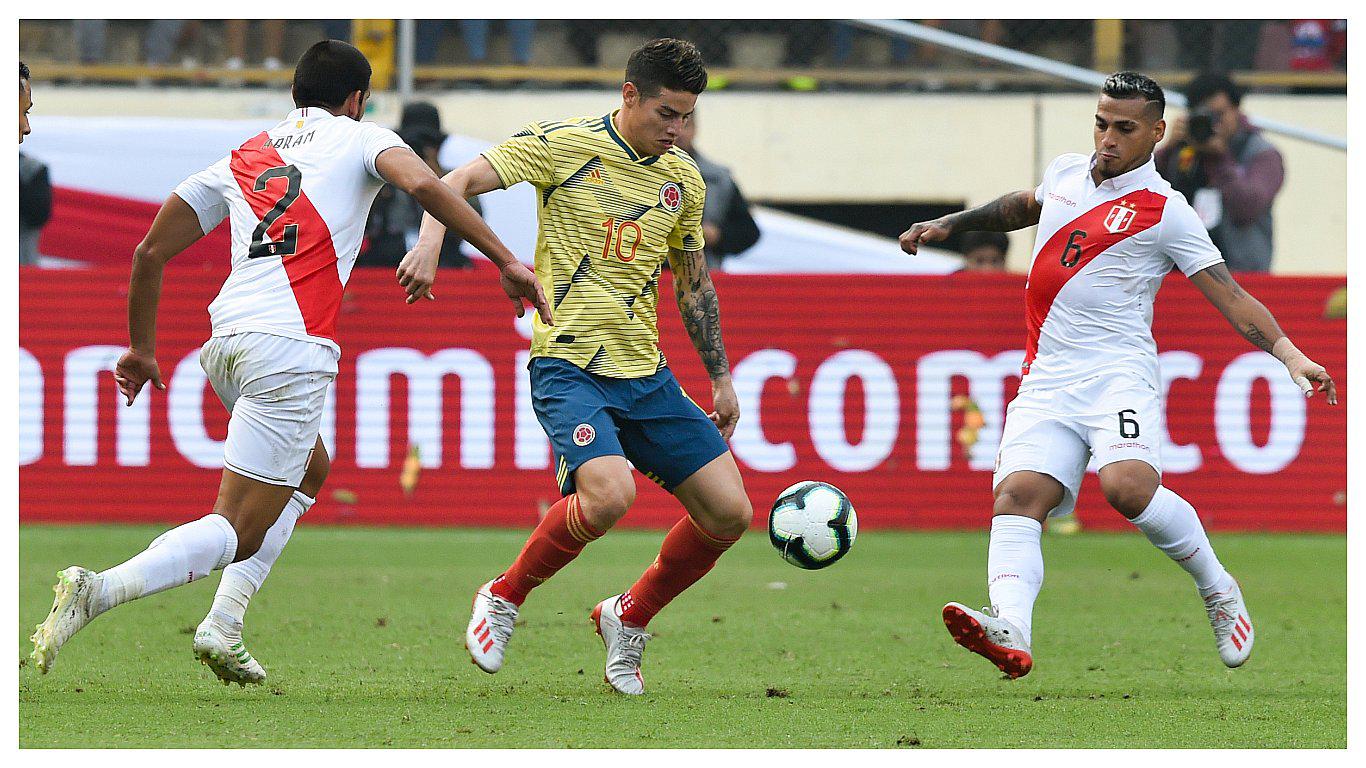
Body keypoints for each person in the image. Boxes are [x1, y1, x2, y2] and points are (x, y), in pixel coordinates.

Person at [28, 39, 550, 686]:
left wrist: (141, 349)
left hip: (226, 343)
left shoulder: (245, 154)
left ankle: (224, 623)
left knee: (311, 466)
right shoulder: (363, 138)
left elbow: (148, 253)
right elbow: (425, 183)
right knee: (238, 530)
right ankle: (98, 591)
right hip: (290, 348)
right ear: (357, 99)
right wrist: (507, 259)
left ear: (295, 94)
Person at [899, 71, 1336, 679]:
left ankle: (1217, 586)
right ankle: (1012, 630)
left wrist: (1290, 355)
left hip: (1117, 375)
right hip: (1047, 375)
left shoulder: (1166, 211)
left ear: (1156, 132)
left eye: (1125, 128)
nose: (1108, 139)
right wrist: (954, 222)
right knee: (1017, 497)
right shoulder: (1065, 173)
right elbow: (1023, 206)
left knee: (1127, 488)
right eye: (1101, 124)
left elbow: (1231, 295)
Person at [406, 37, 753, 696]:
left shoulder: (684, 179)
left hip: (646, 374)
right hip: (569, 365)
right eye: (667, 114)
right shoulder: (563, 144)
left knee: (730, 513)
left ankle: (628, 615)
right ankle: (504, 596)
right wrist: (430, 244)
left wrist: (721, 378)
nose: (678, 130)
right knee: (610, 494)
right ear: (630, 95)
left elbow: (693, 283)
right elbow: (454, 181)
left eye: (686, 118)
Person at [1155, 72, 1284, 273]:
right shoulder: (1182, 149)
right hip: (1182, 273)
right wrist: (1167, 150)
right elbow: (1143, 195)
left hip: (1241, 275)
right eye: (1205, 115)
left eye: (1219, 115)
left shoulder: (1262, 154)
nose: (1214, 123)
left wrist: (1220, 158)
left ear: (1236, 110)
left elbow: (1247, 208)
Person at [675, 111, 760, 268]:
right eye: (672, 125)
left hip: (703, 272)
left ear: (695, 128)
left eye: (685, 126)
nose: (678, 133)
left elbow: (748, 232)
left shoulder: (718, 178)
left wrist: (716, 235)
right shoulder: (640, 173)